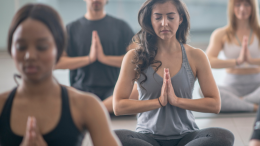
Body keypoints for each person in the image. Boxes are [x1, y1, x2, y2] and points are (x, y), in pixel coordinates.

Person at [113, 0, 234, 145]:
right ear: (150, 20)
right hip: (147, 138)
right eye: (158, 17)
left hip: (186, 137)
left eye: (170, 17)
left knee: (223, 136)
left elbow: (215, 104)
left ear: (180, 18)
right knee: (112, 137)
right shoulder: (134, 57)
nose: (164, 23)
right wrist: (158, 102)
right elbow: (118, 106)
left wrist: (177, 101)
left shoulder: (196, 56)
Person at [0, 4, 121, 146]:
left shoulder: (87, 106)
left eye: (41, 47)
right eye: (21, 46)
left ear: (58, 49)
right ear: (11, 48)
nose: (30, 56)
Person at [55, 0, 135, 113]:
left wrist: (105, 59)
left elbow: (138, 59)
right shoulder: (71, 28)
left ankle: (94, 110)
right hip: (81, 91)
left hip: (113, 91)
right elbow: (57, 63)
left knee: (136, 92)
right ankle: (99, 110)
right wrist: (89, 59)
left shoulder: (121, 26)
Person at [206, 0, 260, 112]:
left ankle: (237, 102)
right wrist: (237, 61)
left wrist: (251, 61)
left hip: (257, 86)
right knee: (203, 90)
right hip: (231, 86)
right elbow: (208, 61)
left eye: (246, 4)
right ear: (232, 7)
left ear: (253, 7)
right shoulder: (221, 34)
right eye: (238, 5)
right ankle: (254, 107)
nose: (242, 9)